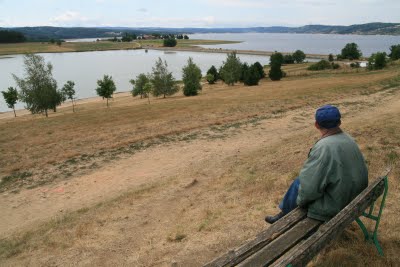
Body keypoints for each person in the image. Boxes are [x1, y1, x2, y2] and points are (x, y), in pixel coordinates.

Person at [265, 105, 368, 224]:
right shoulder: (348, 138)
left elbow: (309, 190)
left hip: (337, 205)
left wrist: (300, 202)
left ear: (316, 125)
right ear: (339, 122)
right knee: (302, 182)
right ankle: (283, 213)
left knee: (300, 183)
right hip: (355, 197)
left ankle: (283, 216)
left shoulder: (323, 147)